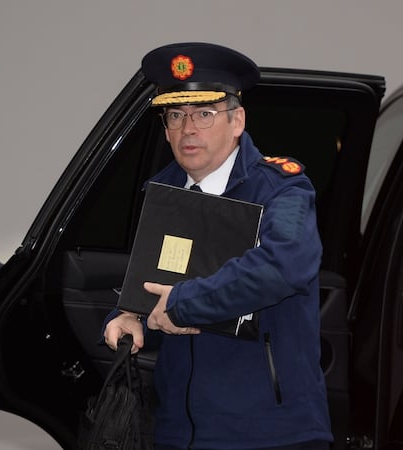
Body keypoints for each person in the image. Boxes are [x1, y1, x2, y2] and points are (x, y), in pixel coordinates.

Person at [104, 42, 333, 449]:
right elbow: (153, 285)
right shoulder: (163, 193)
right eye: (175, 115)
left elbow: (282, 267)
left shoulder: (283, 189)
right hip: (179, 433)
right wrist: (129, 316)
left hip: (271, 433)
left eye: (204, 114)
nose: (188, 129)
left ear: (237, 120)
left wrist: (182, 303)